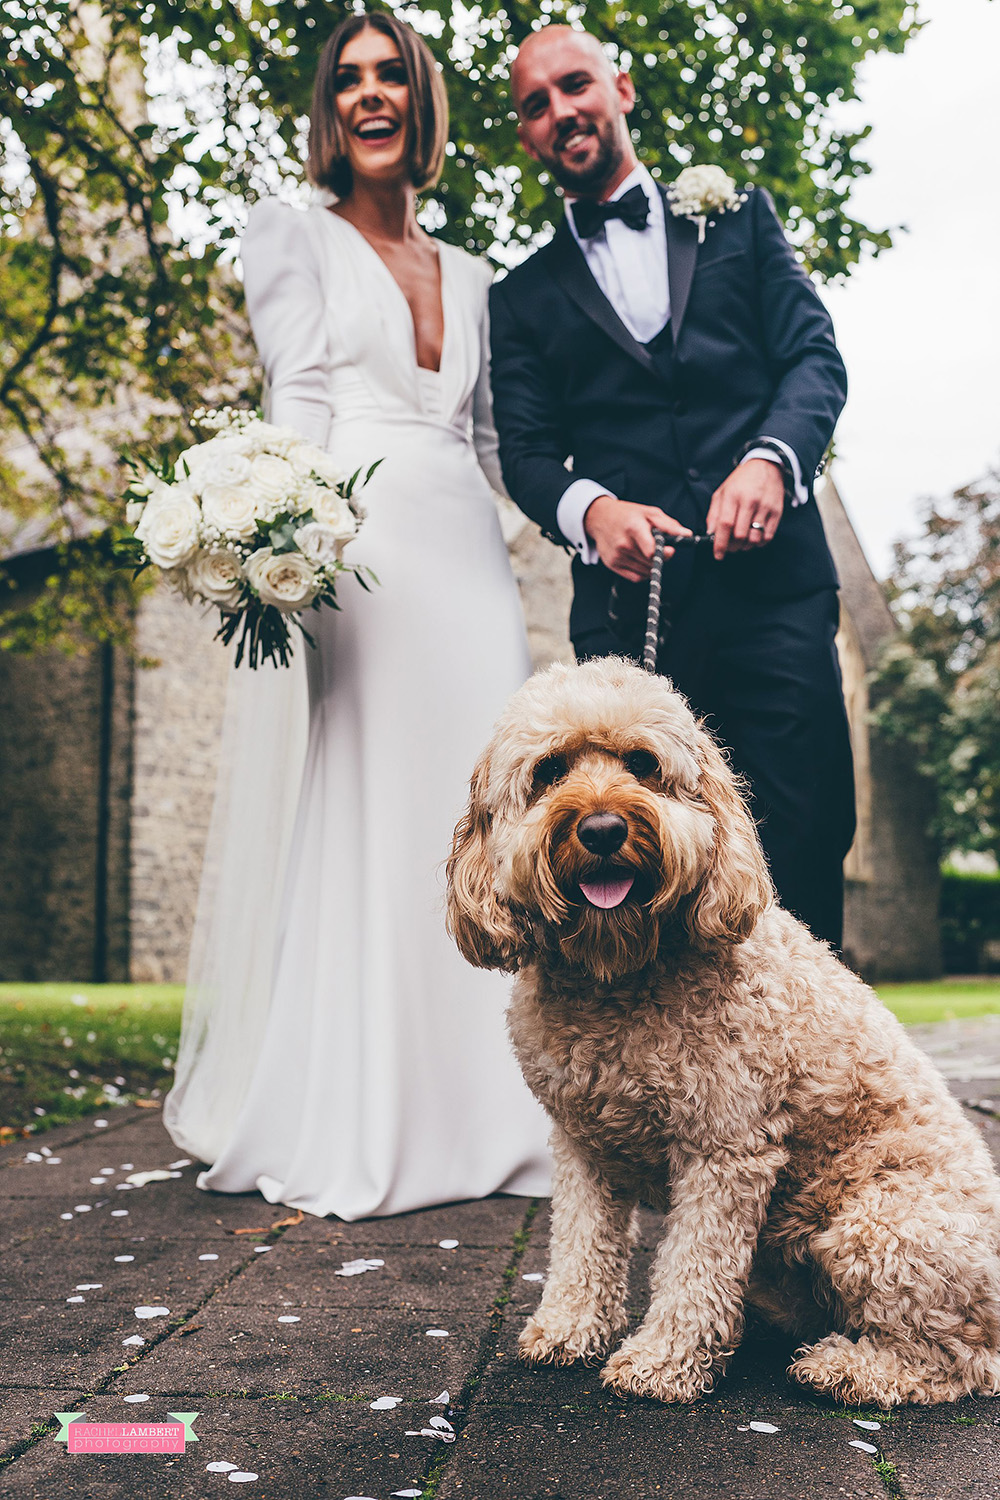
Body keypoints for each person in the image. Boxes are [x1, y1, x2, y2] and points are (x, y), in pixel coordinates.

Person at [164, 11, 551, 1218]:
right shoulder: (291, 234)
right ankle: (372, 1114)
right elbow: (302, 396)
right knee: (382, 815)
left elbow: (497, 447)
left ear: (422, 103)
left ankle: (499, 1111)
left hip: (472, 565)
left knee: (479, 811)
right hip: (363, 556)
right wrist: (284, 531)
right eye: (349, 79)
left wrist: (594, 515)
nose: (372, 94)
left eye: (392, 75)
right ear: (329, 110)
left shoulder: (480, 275)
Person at [489, 27, 856, 949]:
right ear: (528, 134)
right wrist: (593, 510)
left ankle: (814, 1073)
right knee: (636, 857)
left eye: (574, 85)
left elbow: (815, 359)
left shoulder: (739, 221)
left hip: (776, 594)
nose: (562, 111)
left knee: (804, 831)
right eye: (536, 103)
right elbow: (526, 450)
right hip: (629, 620)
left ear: (619, 86)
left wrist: (772, 458)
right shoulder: (519, 297)